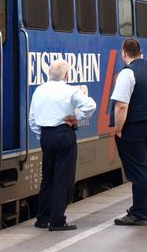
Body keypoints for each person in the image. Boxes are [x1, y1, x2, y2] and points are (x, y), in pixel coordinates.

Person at [28, 59, 96, 231]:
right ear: (66, 75)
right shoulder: (70, 90)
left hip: (46, 136)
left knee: (48, 177)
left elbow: (32, 119)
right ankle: (57, 220)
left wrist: (41, 134)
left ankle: (42, 218)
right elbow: (90, 105)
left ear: (49, 74)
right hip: (64, 135)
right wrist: (77, 118)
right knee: (63, 178)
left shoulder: (39, 90)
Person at [107, 38, 147, 226]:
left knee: (139, 171)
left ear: (124, 53)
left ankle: (138, 213)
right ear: (140, 52)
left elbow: (121, 106)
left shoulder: (127, 73)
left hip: (134, 128)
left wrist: (118, 129)